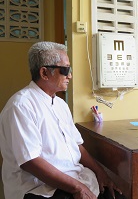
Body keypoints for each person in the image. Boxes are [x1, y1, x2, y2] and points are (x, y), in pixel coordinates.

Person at [0, 42, 125, 199]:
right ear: (44, 73)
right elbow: (30, 161)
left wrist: (101, 174)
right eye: (65, 70)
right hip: (39, 187)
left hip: (73, 177)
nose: (70, 75)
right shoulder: (20, 106)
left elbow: (77, 146)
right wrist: (77, 188)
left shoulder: (60, 104)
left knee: (118, 195)